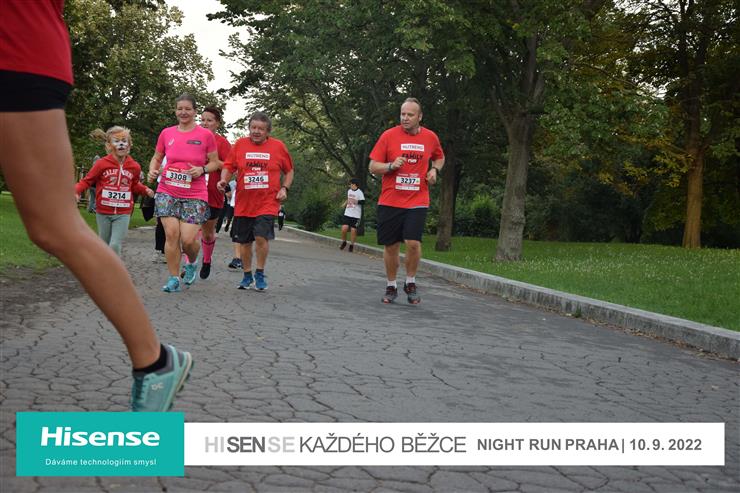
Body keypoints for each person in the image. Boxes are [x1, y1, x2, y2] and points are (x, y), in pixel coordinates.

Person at [0, 0, 192, 412]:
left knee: (53, 227)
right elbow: (90, 179)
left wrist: (146, 190)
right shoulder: (104, 163)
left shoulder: (132, 163)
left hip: (15, 51)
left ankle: (155, 360)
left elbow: (135, 180)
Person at [368, 97, 445, 304]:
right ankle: (391, 286)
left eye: (410, 115)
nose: (405, 118)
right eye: (403, 114)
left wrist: (434, 170)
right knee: (391, 246)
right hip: (390, 200)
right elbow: (373, 166)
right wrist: (391, 166)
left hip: (417, 199)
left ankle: (410, 282)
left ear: (420, 117)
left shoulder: (430, 137)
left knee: (413, 243)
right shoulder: (388, 136)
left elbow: (439, 157)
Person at [147, 94, 219, 293]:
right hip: (167, 189)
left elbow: (215, 162)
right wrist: (153, 169)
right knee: (171, 234)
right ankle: (173, 278)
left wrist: (202, 169)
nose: (183, 112)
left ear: (194, 111)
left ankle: (192, 262)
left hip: (194, 193)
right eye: (180, 108)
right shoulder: (167, 133)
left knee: (187, 240)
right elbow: (157, 157)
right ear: (175, 111)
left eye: (187, 109)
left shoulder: (205, 135)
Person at [218, 111, 294, 291]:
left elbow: (289, 171)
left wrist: (284, 188)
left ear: (268, 131)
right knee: (245, 242)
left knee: (261, 236)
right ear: (249, 128)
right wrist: (223, 181)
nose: (256, 131)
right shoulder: (240, 145)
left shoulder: (278, 147)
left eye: (261, 129)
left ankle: (259, 273)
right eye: (253, 127)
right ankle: (247, 275)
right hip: (244, 203)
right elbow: (228, 166)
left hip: (267, 202)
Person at [74, 126, 155, 256]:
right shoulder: (101, 164)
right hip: (103, 211)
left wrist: (145, 190)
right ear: (109, 145)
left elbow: (134, 185)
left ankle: (113, 268)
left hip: (123, 212)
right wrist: (76, 191)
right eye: (116, 141)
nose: (121, 144)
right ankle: (103, 266)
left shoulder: (134, 167)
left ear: (129, 145)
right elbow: (87, 181)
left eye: (124, 141)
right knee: (104, 244)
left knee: (115, 244)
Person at [198, 106, 231, 279]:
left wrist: (213, 162)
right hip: (191, 191)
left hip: (212, 193)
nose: (205, 123)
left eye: (209, 120)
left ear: (217, 123)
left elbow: (230, 167)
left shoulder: (222, 143)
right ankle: (189, 264)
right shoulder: (192, 138)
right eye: (202, 120)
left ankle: (207, 260)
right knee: (188, 232)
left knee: (207, 232)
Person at [339, 178, 365, 252]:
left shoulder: (360, 192)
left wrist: (355, 201)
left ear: (354, 184)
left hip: (356, 215)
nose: (349, 185)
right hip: (348, 213)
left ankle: (351, 245)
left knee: (353, 230)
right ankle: (344, 242)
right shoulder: (349, 191)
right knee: (344, 228)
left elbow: (363, 202)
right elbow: (348, 199)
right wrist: (344, 204)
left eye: (350, 184)